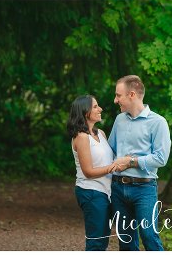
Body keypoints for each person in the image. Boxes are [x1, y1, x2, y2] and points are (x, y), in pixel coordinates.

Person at [108, 75, 171, 251]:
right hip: (118, 188)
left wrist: (131, 161)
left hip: (144, 189)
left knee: (149, 236)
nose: (115, 100)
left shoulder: (158, 122)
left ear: (132, 95)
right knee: (126, 241)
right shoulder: (119, 120)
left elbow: (161, 158)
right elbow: (111, 150)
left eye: (118, 95)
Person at [67, 95, 131, 250]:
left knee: (102, 240)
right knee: (97, 242)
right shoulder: (81, 137)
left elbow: (109, 158)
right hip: (91, 193)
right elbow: (88, 171)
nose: (100, 109)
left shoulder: (100, 133)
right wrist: (115, 166)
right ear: (85, 111)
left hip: (106, 192)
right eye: (95, 106)